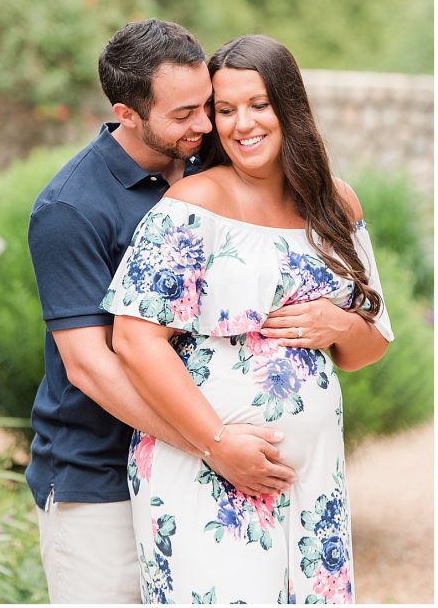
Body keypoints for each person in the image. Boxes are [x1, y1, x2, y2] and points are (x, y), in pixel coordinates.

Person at [26, 20, 345, 604]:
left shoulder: (207, 166)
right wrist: (213, 444)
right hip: (96, 473)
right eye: (184, 115)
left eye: (208, 106)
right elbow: (91, 366)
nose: (205, 125)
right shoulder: (71, 208)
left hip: (210, 470)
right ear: (127, 113)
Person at [103, 34, 393, 603]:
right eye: (225, 109)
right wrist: (217, 443)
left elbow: (370, 348)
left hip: (314, 479)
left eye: (258, 104)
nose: (242, 124)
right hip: (210, 470)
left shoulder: (337, 204)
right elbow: (135, 341)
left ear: (289, 107)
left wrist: (339, 326)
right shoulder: (193, 202)